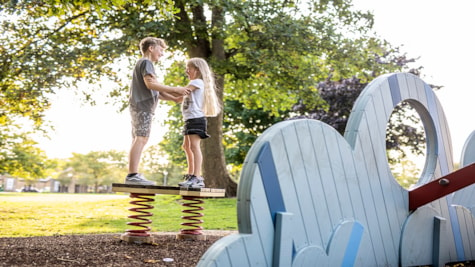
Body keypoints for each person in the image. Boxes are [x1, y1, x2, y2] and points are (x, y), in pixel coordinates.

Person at [125, 37, 189, 185]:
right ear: (151, 48)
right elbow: (151, 84)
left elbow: (155, 91)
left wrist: (173, 98)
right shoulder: (146, 62)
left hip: (141, 106)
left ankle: (133, 174)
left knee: (140, 138)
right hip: (142, 107)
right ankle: (132, 175)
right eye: (161, 50)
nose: (162, 54)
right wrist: (175, 89)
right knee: (141, 138)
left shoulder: (143, 64)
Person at [178, 58, 221, 188]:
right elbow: (177, 98)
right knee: (187, 147)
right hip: (190, 119)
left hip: (196, 119)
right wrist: (157, 93)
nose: (186, 70)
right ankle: (191, 175)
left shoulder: (197, 82)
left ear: (196, 70)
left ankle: (197, 177)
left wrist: (160, 88)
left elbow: (182, 91)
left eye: (188, 68)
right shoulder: (194, 84)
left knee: (194, 147)